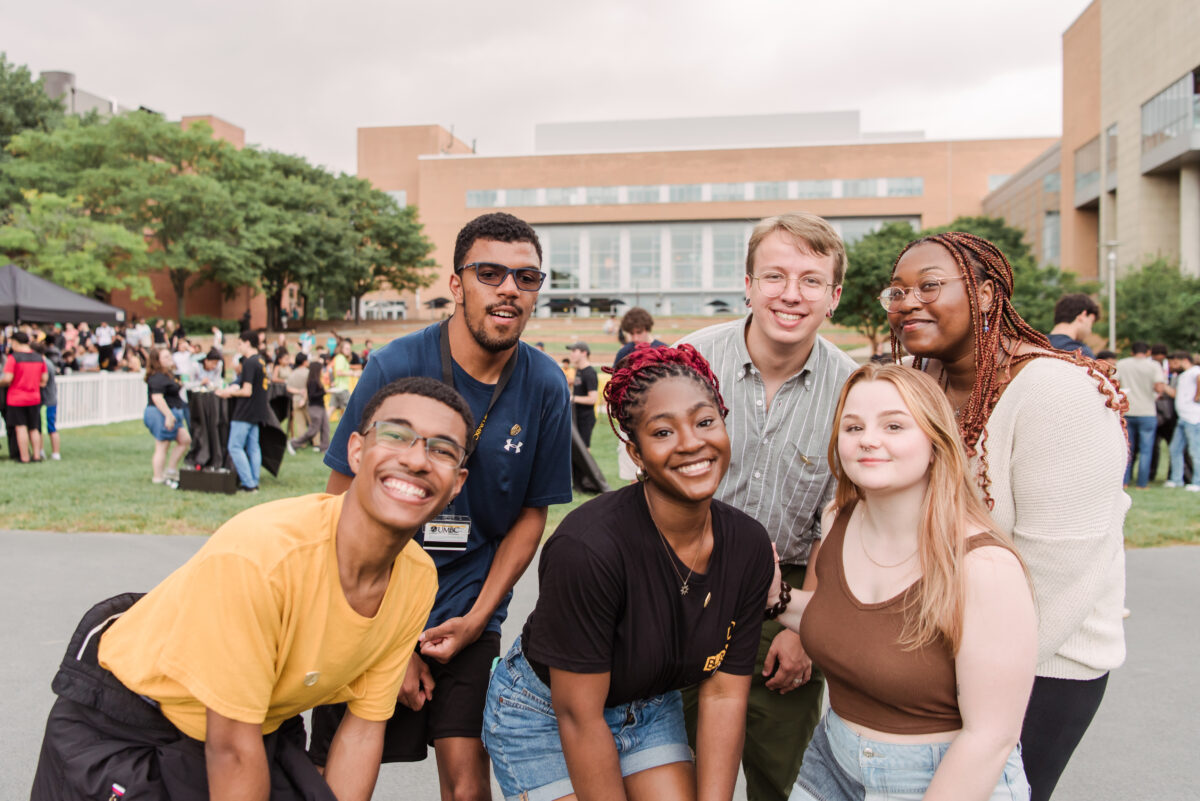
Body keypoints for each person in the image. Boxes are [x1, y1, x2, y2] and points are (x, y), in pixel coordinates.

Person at [31, 378, 470, 801]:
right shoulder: (262, 557)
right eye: (396, 435)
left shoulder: (417, 578)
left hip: (252, 728)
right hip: (127, 724)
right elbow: (232, 752)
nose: (417, 459)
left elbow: (363, 728)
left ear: (457, 483)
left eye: (442, 449)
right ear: (356, 451)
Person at [309, 212, 573, 801]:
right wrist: (386, 640)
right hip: (371, 604)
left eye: (526, 278)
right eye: (490, 273)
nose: (509, 288)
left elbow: (533, 513)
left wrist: (479, 618)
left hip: (466, 610)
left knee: (465, 778)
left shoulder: (546, 384)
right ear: (457, 284)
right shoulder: (396, 365)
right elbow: (339, 499)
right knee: (340, 775)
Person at [886, 231, 1128, 801]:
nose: (907, 302)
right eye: (896, 291)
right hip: (944, 650)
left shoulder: (1057, 393)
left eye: (929, 286)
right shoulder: (927, 384)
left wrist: (963, 683)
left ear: (988, 295)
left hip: (1041, 664)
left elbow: (1057, 578)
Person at [482, 344, 773, 801]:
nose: (692, 442)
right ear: (635, 453)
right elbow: (579, 716)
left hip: (649, 702)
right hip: (545, 712)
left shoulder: (748, 546)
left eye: (705, 421)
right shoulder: (589, 548)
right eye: (662, 431)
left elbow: (723, 696)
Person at [771, 362, 1035, 801]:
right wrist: (775, 597)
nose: (869, 439)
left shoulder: (984, 565)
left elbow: (990, 738)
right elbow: (853, 624)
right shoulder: (839, 519)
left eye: (894, 425)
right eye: (853, 426)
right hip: (831, 761)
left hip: (942, 777)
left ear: (935, 441)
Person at [677, 212, 856, 801]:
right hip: (682, 581)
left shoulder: (853, 390)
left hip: (794, 593)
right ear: (748, 283)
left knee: (781, 778)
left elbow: (846, 520)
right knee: (672, 767)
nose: (790, 294)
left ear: (833, 297)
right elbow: (647, 489)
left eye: (810, 280)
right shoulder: (688, 364)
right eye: (774, 275)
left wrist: (809, 628)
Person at [217, 332, 271, 493]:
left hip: (245, 411)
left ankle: (248, 483)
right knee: (253, 447)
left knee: (234, 446)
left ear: (247, 343)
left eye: (240, 344)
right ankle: (254, 481)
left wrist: (229, 393)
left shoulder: (249, 363)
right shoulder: (261, 360)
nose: (238, 347)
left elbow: (247, 391)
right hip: (258, 410)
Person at [1115, 342, 1166, 489]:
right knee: (1146, 450)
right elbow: (1159, 387)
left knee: (1127, 448)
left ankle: (1124, 481)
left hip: (1128, 411)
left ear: (1132, 352)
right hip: (1147, 412)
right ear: (1148, 352)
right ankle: (1142, 483)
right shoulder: (1153, 366)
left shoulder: (1122, 364)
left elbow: (1115, 383)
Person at [143, 347, 191, 488]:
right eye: (165, 357)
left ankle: (170, 470)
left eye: (169, 356)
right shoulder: (157, 377)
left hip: (172, 412)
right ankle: (158, 477)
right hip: (160, 413)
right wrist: (168, 416)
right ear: (157, 361)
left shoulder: (168, 374)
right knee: (162, 445)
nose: (169, 359)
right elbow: (157, 398)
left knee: (185, 440)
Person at [2, 331, 48, 463]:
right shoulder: (39, 358)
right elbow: (44, 380)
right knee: (34, 428)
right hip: (34, 397)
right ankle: (37, 456)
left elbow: (8, 378)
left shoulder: (14, 358)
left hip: (16, 398)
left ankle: (24, 457)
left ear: (15, 342)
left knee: (20, 427)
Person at [1166, 350, 1200, 490]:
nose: (1173, 365)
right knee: (1175, 449)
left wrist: (1198, 396)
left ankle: (1197, 482)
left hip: (1193, 418)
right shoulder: (1183, 376)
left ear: (1183, 360)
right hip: (1182, 417)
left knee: (1195, 451)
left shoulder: (1194, 371)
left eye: (1175, 362)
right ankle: (1176, 479)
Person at [292, 353, 331, 454]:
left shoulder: (317, 381)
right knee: (313, 430)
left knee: (325, 428)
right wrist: (324, 392)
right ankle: (295, 443)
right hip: (315, 407)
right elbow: (312, 395)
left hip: (320, 406)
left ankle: (325, 448)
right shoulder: (312, 382)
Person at [1046, 293, 1099, 358]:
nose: (1090, 331)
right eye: (1091, 322)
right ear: (1083, 316)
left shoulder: (1034, 345)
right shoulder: (1080, 353)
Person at [567, 341, 599, 447]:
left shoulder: (590, 373)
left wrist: (572, 398)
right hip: (577, 416)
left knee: (584, 450)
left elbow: (593, 399)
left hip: (585, 418)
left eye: (574, 351)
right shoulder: (579, 370)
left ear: (584, 353)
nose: (571, 354)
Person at [36, 343, 62, 461]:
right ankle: (45, 452)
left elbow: (43, 382)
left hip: (46, 400)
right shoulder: (48, 363)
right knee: (45, 427)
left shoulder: (44, 364)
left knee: (46, 428)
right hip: (49, 399)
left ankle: (53, 453)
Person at [286, 351, 311, 444]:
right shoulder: (308, 372)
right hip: (306, 400)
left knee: (300, 424)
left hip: (296, 399)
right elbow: (308, 387)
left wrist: (298, 392)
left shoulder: (292, 373)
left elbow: (288, 388)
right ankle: (316, 442)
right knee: (312, 423)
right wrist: (303, 396)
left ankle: (302, 443)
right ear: (304, 362)